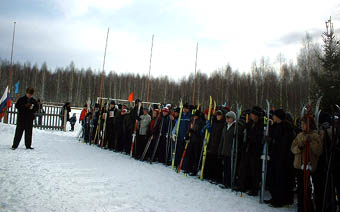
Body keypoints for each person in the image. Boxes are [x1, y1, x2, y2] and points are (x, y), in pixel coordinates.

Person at [291, 115, 323, 212]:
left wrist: (311, 142)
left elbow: (318, 151)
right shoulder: (299, 135)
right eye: (301, 124)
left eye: (304, 124)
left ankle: (309, 208)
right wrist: (299, 147)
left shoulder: (315, 135)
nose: (302, 125)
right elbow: (293, 148)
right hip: (299, 167)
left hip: (310, 166)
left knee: (308, 190)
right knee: (301, 189)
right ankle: (301, 208)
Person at [265, 109, 295, 207]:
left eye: (274, 115)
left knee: (280, 179)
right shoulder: (275, 126)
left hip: (283, 158)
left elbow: (284, 144)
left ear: (278, 116)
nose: (272, 117)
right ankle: (275, 197)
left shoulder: (286, 127)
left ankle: (280, 200)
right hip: (274, 156)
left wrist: (273, 141)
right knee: (273, 178)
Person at [239, 106, 264, 196]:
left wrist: (251, 137)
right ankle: (244, 185)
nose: (251, 115)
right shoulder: (249, 123)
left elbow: (258, 137)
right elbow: (246, 133)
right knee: (245, 168)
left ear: (256, 115)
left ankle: (255, 188)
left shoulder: (261, 124)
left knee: (255, 170)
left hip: (255, 150)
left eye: (253, 114)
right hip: (248, 148)